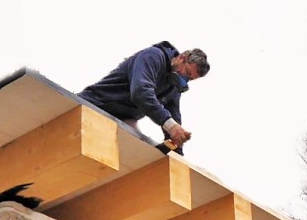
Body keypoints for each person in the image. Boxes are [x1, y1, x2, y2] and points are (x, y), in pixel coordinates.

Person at [78, 41, 210, 153]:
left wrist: (177, 145)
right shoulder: (153, 56)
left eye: (190, 79)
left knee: (138, 151)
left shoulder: (174, 86)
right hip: (96, 105)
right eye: (186, 73)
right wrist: (171, 126)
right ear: (182, 58)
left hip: (123, 119)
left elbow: (173, 115)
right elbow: (141, 92)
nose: (184, 79)